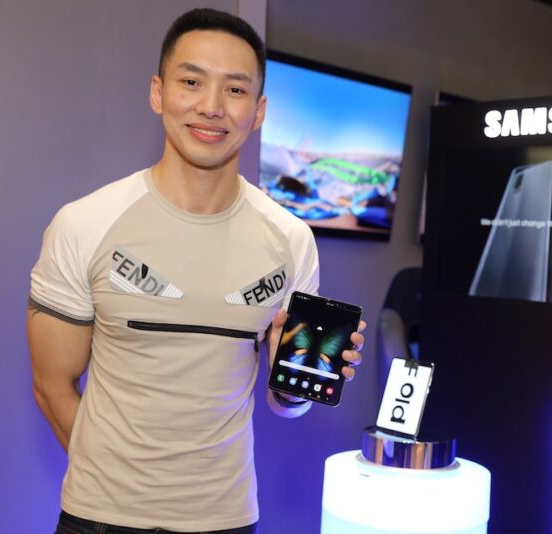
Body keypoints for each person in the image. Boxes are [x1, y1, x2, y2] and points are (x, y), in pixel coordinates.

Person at [27, 8, 364, 534]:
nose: (211, 107)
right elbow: (52, 384)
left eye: (235, 89)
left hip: (227, 519)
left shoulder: (291, 238)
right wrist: (112, 487)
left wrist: (294, 380)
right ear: (158, 92)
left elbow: (286, 404)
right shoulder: (84, 223)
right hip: (99, 520)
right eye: (191, 82)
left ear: (258, 111)